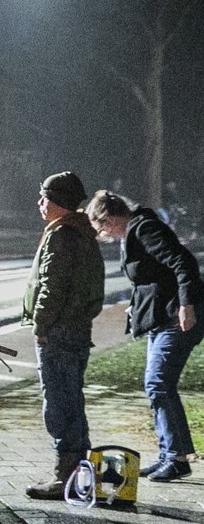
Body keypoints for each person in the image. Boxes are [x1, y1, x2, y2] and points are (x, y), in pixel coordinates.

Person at [87, 189, 202, 482]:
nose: (104, 235)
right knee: (156, 385)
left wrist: (186, 305)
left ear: (110, 218)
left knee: (158, 383)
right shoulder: (135, 230)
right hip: (160, 317)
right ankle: (168, 455)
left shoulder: (144, 228)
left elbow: (183, 263)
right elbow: (152, 278)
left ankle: (177, 458)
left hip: (175, 317)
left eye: (102, 229)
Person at [22, 172, 106, 499]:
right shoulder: (82, 232)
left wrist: (41, 326)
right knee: (72, 400)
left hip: (58, 331)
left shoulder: (62, 235)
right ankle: (79, 474)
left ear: (57, 201)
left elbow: (51, 287)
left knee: (59, 403)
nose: (39, 203)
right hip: (77, 329)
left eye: (44, 198)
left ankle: (65, 476)